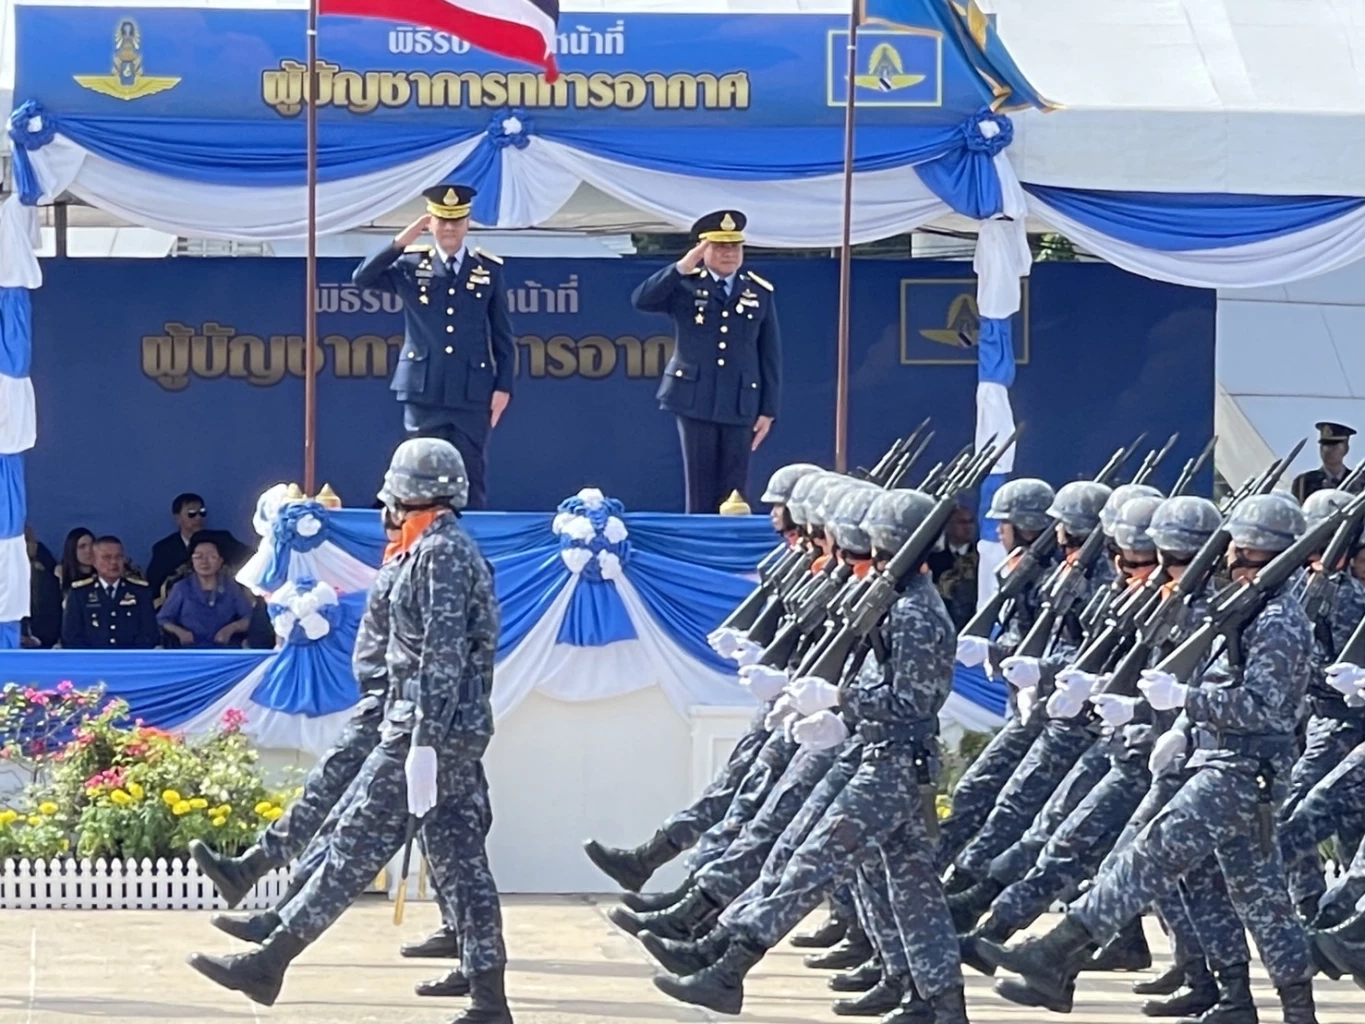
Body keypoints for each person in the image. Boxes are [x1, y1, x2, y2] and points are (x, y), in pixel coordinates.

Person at [187, 438, 510, 1024]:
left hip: (425, 730)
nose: (384, 506)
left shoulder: (441, 555)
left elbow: (441, 654)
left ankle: (271, 959)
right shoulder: (426, 550)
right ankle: (490, 997)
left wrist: (425, 745)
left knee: (353, 842)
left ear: (410, 496)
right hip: (429, 728)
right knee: (461, 859)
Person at [983, 493, 1320, 1024]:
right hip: (1225, 761)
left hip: (1243, 770)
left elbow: (1262, 707)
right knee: (1250, 895)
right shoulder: (1247, 609)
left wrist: (1184, 701)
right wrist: (1177, 719)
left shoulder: (1277, 620)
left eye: (1239, 549)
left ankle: (1052, 954)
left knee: (1151, 852)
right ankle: (1251, 1003)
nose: (1227, 557)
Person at [353, 184, 515, 511]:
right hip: (424, 389)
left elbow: (502, 334)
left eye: (456, 221)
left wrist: (504, 386)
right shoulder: (412, 265)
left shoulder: (487, 269)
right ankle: (418, 539)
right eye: (442, 221)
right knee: (419, 471)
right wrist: (402, 241)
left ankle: (470, 544)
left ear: (467, 223)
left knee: (470, 471)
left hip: (472, 392)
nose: (449, 228)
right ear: (431, 223)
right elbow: (363, 277)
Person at [632, 210, 782, 514]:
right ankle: (698, 546)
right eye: (720, 247)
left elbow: (769, 353)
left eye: (734, 247)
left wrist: (768, 409)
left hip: (741, 400)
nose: (729, 253)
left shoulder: (758, 290)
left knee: (735, 489)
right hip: (694, 397)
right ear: (703, 249)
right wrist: (682, 267)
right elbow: (642, 299)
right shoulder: (685, 285)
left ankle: (729, 549)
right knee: (699, 485)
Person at [60, 536, 158, 649]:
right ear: (94, 560)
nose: (113, 562)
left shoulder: (140, 592)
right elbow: (71, 637)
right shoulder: (79, 593)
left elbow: (149, 634)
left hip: (130, 661)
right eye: (107, 557)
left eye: (119, 557)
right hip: (92, 662)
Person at [146, 493, 252, 599]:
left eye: (202, 513)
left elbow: (250, 560)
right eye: (191, 514)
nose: (198, 518)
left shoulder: (223, 540)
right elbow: (154, 586)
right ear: (177, 518)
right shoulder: (164, 549)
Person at [156, 536, 254, 648]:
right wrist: (180, 632)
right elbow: (162, 619)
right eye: (198, 557)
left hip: (225, 650)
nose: (204, 561)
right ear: (192, 561)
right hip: (191, 651)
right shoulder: (181, 587)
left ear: (220, 561)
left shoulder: (231, 587)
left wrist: (231, 629)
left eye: (211, 557)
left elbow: (249, 617)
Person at [927, 502, 979, 631]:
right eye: (962, 522)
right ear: (948, 526)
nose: (968, 527)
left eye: (970, 522)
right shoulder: (932, 559)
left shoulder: (981, 557)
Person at [1292, 422, 1356, 503]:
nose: (1328, 450)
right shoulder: (1303, 482)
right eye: (1324, 445)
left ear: (1346, 449)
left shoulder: (1359, 481)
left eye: (1334, 445)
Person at [23, 526, 61, 648]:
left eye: (27, 541)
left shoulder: (43, 571)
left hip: (40, 643)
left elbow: (49, 609)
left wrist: (37, 639)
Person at [56, 527, 96, 593]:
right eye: (82, 546)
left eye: (92, 545)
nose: (89, 550)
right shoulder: (60, 577)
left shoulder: (105, 575)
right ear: (72, 550)